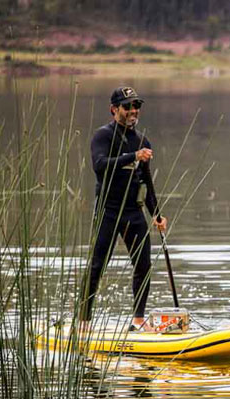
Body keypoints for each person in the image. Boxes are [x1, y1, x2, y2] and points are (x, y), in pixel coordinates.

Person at [83, 86, 168, 332]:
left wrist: (157, 215)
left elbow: (147, 184)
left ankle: (138, 321)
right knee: (97, 267)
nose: (133, 111)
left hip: (133, 212)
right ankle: (84, 323)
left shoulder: (143, 141)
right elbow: (99, 166)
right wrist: (133, 156)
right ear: (114, 109)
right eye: (127, 106)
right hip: (108, 211)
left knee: (143, 266)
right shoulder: (103, 136)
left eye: (136, 106)